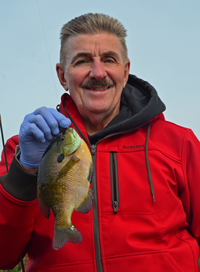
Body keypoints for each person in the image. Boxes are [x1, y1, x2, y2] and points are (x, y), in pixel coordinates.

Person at [0, 13, 200, 272]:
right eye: (83, 61)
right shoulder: (22, 150)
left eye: (109, 59)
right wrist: (24, 172)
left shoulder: (179, 143)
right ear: (62, 75)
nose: (97, 72)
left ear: (125, 71)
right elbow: (3, 255)